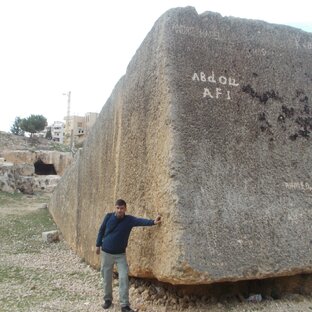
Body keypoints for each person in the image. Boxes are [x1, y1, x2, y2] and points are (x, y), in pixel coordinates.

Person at [96, 199, 162, 312]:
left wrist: (153, 222)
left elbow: (140, 221)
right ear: (115, 208)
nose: (120, 210)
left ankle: (124, 305)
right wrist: (98, 245)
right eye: (118, 208)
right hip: (106, 253)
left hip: (120, 254)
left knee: (123, 278)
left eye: (122, 208)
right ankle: (107, 300)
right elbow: (101, 230)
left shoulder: (129, 220)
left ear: (125, 208)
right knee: (106, 278)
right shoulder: (108, 217)